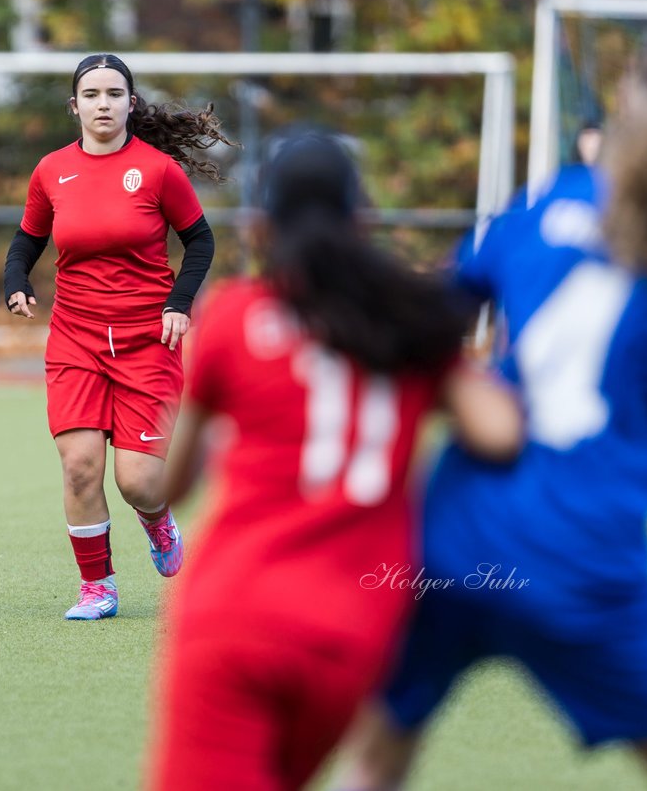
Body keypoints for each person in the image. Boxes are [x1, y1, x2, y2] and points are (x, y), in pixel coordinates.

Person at [342, 22, 647, 791]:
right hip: (582, 567)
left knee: (373, 765)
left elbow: (424, 318)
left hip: (449, 547)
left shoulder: (552, 202)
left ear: (630, 98)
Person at [145, 127, 524, 791]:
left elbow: (169, 483)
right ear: (363, 220)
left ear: (262, 228)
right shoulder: (410, 326)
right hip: (354, 630)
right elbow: (500, 434)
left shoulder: (234, 318)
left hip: (233, 613)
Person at [3, 53, 234, 621]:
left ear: (130, 103)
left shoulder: (157, 170)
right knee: (79, 464)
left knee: (139, 481)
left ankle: (157, 521)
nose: (102, 103)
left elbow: (200, 243)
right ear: (75, 105)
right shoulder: (51, 170)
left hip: (147, 340)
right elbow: (27, 241)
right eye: (91, 94)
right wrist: (16, 283)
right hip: (75, 338)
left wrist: (180, 304)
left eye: (113, 93)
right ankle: (97, 587)